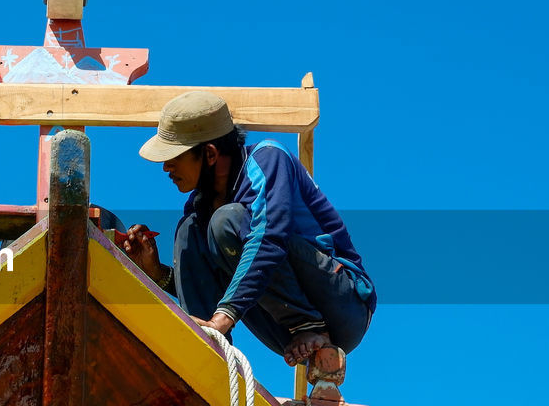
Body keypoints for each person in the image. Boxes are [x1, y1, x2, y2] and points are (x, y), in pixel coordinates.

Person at [123, 91, 375, 367]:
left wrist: (224, 317)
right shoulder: (199, 207)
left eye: (175, 156)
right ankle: (210, 352)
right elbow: (210, 285)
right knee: (190, 230)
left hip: (341, 308)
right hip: (283, 330)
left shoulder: (267, 159)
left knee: (228, 221)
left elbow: (268, 241)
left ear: (209, 153)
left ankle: (306, 324)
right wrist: (156, 273)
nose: (166, 167)